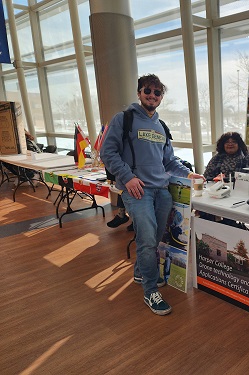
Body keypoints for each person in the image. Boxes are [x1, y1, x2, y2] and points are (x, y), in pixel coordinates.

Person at [100, 74, 204, 316]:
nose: (152, 95)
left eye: (158, 93)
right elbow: (107, 152)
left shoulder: (161, 126)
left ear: (161, 98)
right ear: (139, 92)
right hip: (138, 191)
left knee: (154, 240)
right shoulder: (123, 119)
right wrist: (127, 177)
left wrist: (189, 174)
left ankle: (139, 271)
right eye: (148, 90)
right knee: (147, 241)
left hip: (162, 192)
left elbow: (169, 160)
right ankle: (150, 291)